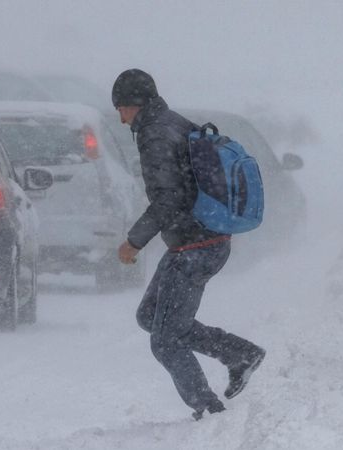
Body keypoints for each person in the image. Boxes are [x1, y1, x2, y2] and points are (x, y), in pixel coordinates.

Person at [112, 68, 266, 421]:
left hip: (196, 247)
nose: (120, 118)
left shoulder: (155, 134)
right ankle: (240, 354)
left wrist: (133, 242)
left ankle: (208, 410)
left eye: (120, 108)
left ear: (134, 104)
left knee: (165, 340)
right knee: (150, 316)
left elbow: (168, 199)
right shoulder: (172, 122)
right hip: (200, 241)